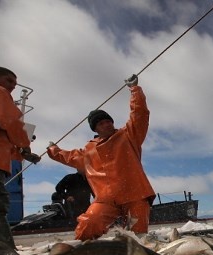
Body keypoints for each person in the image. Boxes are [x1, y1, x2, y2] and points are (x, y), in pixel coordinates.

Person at [47, 74, 155, 241]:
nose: (107, 124)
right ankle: (80, 254)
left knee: (137, 237)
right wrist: (53, 149)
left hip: (135, 195)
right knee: (88, 225)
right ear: (95, 129)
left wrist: (135, 90)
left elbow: (140, 114)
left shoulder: (129, 135)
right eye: (101, 123)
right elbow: (68, 156)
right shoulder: (88, 150)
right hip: (105, 200)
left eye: (108, 121)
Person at [0, 66, 41, 248]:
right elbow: (10, 121)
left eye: (15, 83)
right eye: (9, 81)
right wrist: (25, 146)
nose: (13, 86)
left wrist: (20, 153)